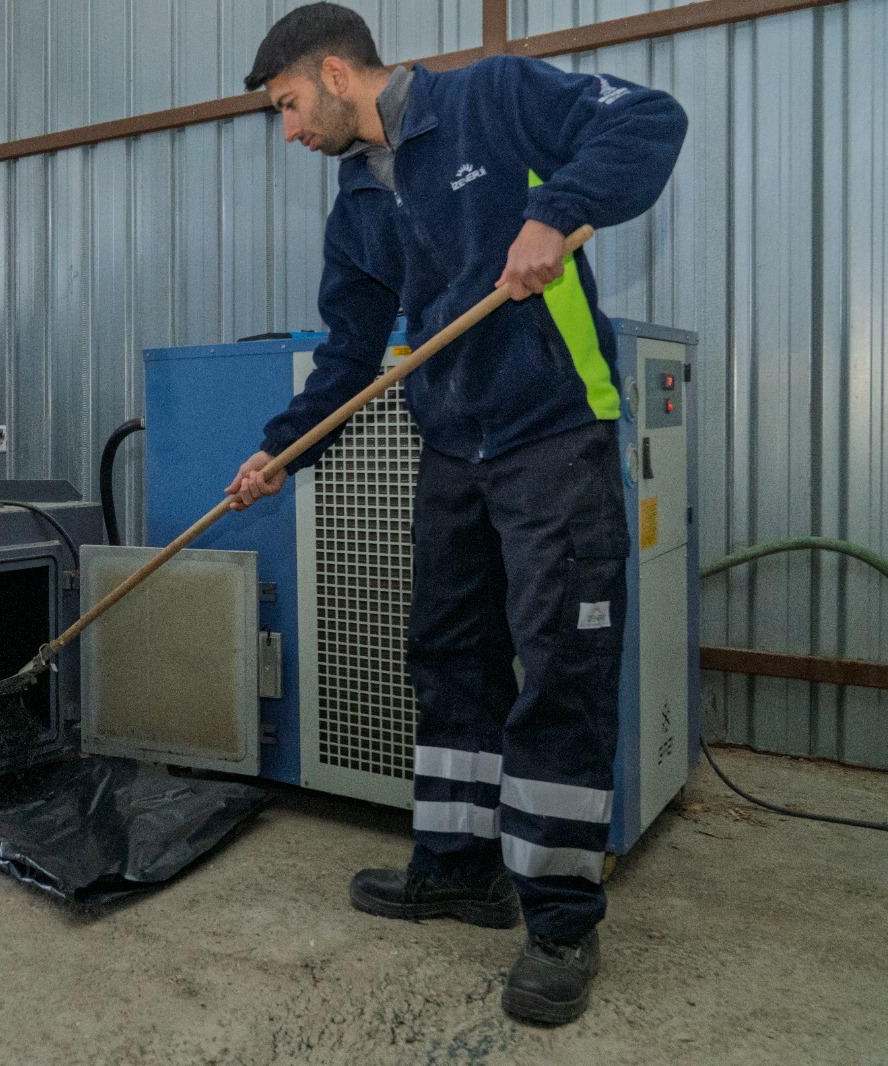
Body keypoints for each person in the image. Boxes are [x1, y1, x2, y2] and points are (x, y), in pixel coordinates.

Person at [227, 2, 686, 1025]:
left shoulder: (491, 100)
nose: (289, 131)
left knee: (559, 669)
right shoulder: (358, 199)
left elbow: (649, 120)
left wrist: (554, 211)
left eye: (289, 105)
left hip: (552, 432)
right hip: (452, 448)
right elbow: (349, 353)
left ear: (336, 74)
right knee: (448, 654)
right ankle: (457, 865)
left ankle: (560, 922)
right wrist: (284, 446)